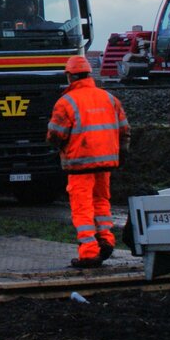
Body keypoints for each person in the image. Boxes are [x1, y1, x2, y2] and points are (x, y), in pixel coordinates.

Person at [46, 55, 130, 269]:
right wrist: (121, 153)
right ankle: (106, 240)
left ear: (70, 76)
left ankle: (89, 253)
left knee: (82, 207)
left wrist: (55, 145)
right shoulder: (109, 98)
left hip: (80, 163)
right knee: (101, 202)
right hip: (106, 163)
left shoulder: (66, 102)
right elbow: (124, 130)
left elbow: (56, 134)